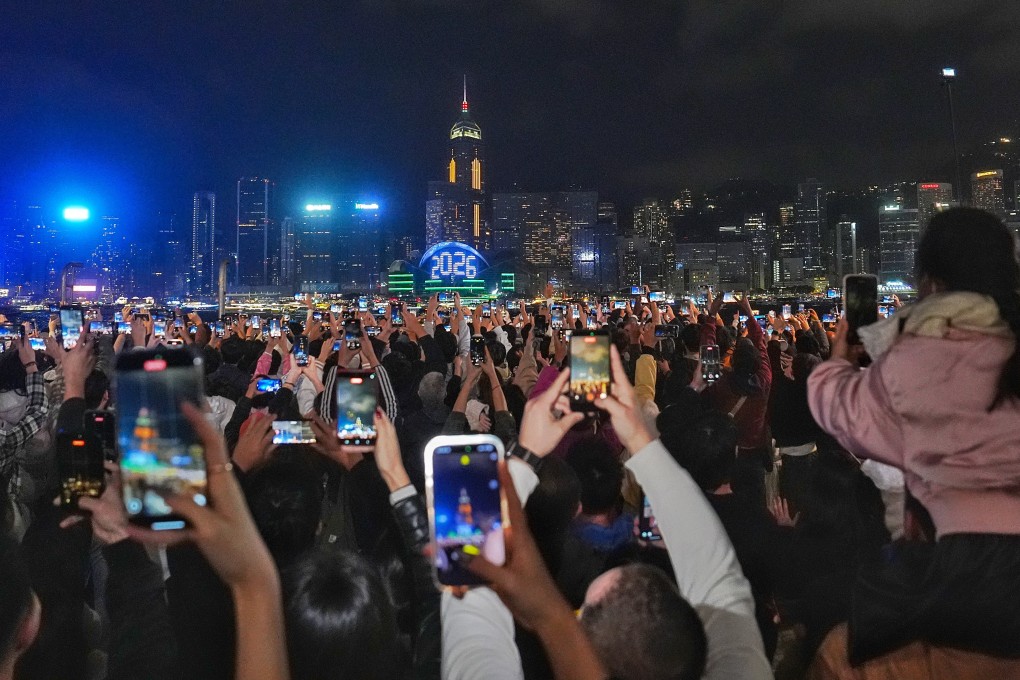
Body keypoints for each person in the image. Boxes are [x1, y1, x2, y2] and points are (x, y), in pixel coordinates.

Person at [808, 208, 1020, 662]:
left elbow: (840, 412)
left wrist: (839, 358)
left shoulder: (915, 357)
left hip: (955, 572)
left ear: (931, 283)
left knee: (846, 646)